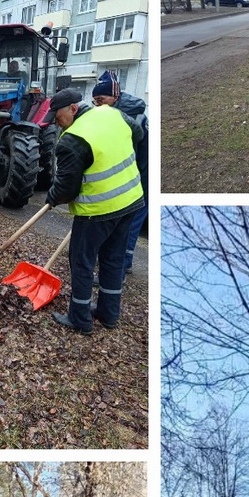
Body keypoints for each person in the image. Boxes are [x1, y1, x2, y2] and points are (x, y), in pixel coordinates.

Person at [43, 88, 144, 334]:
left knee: (82, 263)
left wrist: (52, 197)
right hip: (130, 201)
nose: (56, 123)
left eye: (57, 117)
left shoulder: (72, 139)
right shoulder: (112, 113)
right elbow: (139, 133)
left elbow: (66, 189)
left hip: (97, 211)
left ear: (73, 109)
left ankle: (80, 319)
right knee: (113, 260)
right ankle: (109, 314)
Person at [90, 70, 149, 277]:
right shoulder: (112, 114)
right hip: (131, 178)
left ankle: (120, 269)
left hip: (140, 180)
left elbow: (128, 156)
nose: (98, 105)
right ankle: (124, 263)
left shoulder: (131, 119)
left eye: (102, 99)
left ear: (115, 96)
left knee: (127, 227)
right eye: (95, 101)